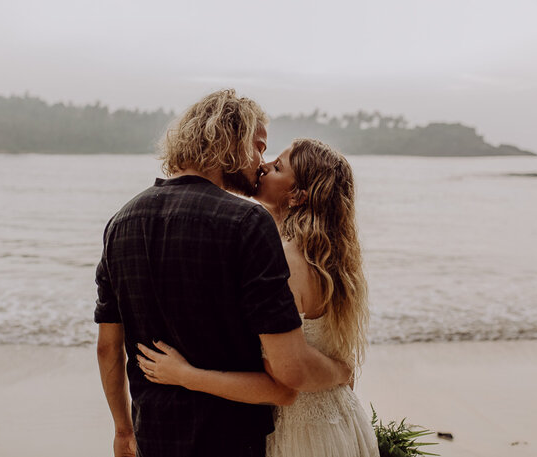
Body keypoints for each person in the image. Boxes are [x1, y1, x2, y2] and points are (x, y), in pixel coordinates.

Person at [94, 90, 352, 457]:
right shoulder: (247, 222)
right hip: (232, 438)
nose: (261, 161)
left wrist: (122, 430)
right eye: (259, 147)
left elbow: (108, 348)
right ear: (231, 141)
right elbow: (288, 372)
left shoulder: (120, 222)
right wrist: (341, 372)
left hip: (153, 435)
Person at [137, 138, 380, 457]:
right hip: (341, 420)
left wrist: (186, 376)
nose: (263, 165)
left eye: (277, 167)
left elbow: (290, 372)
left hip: (302, 435)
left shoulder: (287, 259)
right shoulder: (329, 260)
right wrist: (341, 371)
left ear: (297, 195)